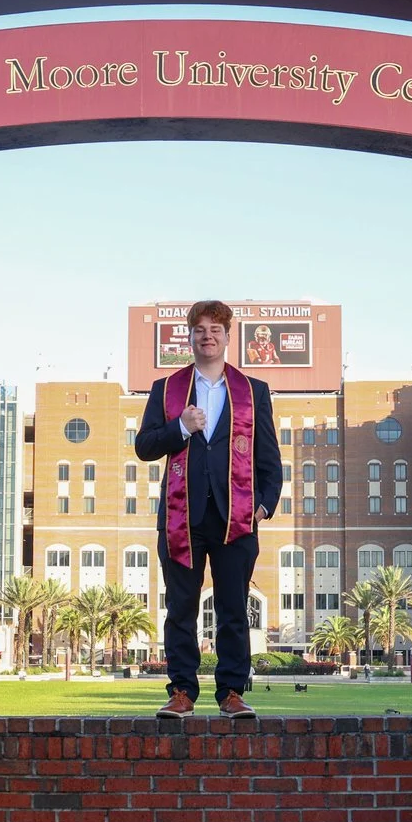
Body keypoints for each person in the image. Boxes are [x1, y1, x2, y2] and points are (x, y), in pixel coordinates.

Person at [134, 300, 284, 718]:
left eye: (215, 329)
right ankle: (182, 691)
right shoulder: (167, 389)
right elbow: (144, 447)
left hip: (236, 517)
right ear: (190, 336)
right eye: (199, 329)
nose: (207, 336)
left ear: (228, 336)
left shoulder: (253, 391)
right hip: (182, 517)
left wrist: (265, 506)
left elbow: (270, 461)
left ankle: (232, 693)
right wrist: (180, 427)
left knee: (234, 607)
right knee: (181, 608)